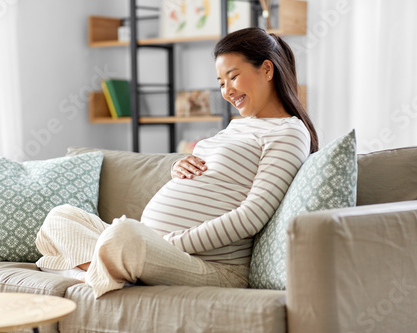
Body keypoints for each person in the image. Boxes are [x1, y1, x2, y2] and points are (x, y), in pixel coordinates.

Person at [35, 27, 319, 298]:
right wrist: (178, 168)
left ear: (267, 69)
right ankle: (108, 267)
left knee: (124, 236)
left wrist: (164, 244)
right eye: (221, 83)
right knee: (61, 217)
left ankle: (94, 268)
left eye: (233, 77)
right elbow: (216, 177)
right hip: (158, 248)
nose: (227, 91)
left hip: (214, 267)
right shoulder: (238, 126)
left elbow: (251, 216)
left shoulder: (289, 132)